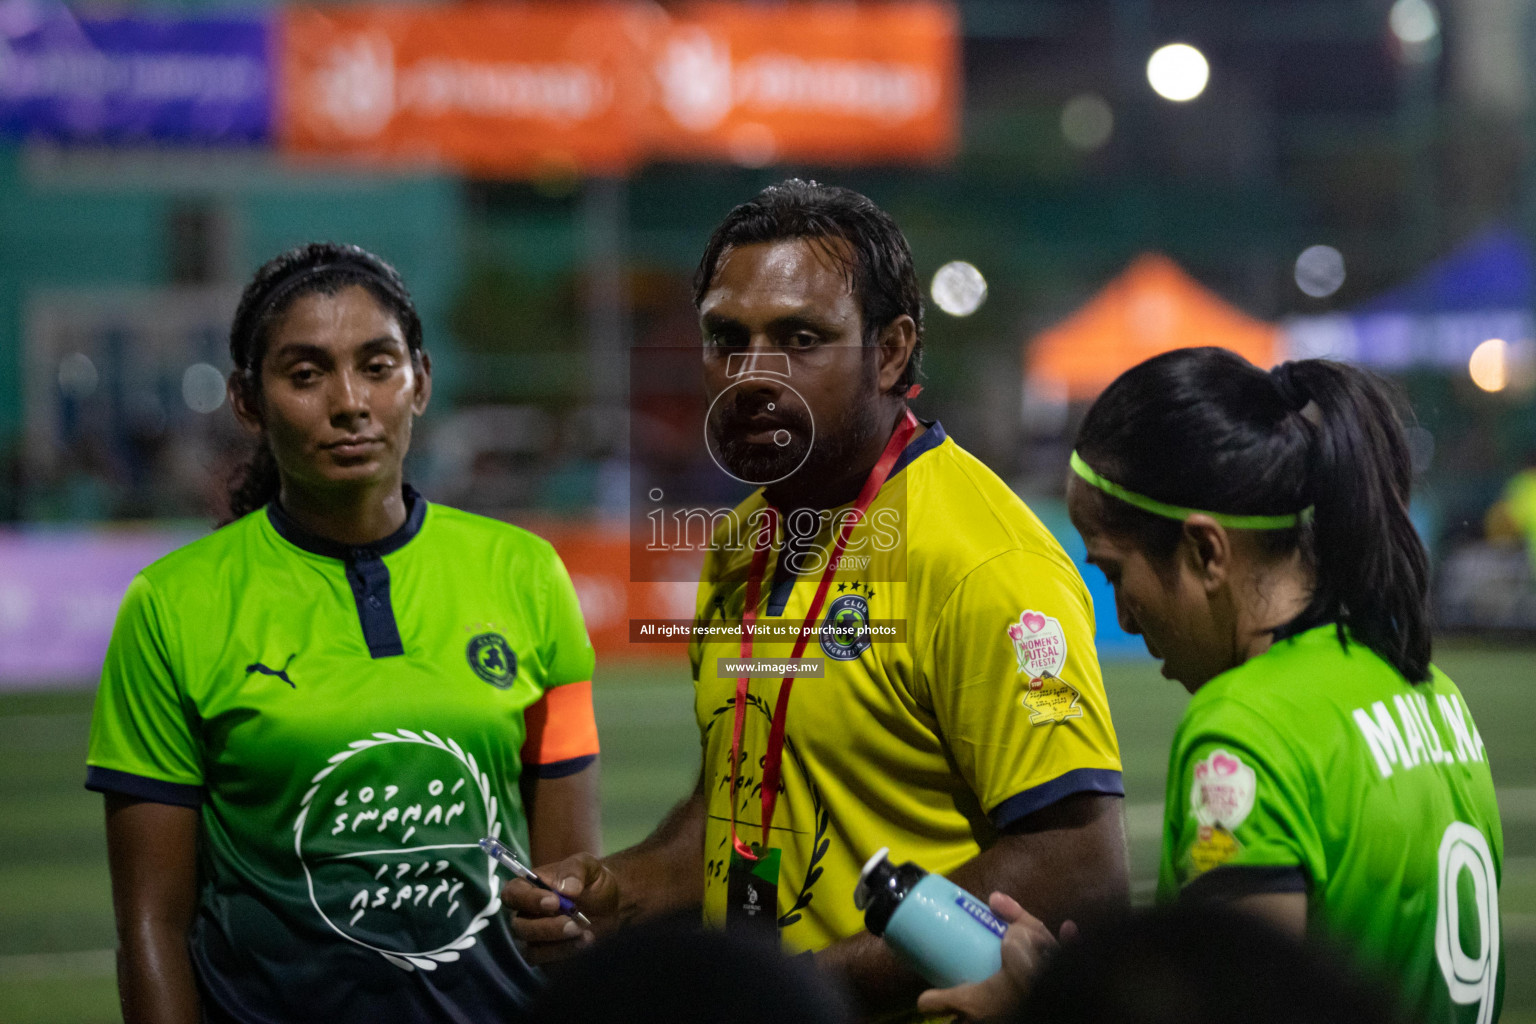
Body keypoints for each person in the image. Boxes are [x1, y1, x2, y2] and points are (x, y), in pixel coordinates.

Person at [506, 180, 1128, 1017]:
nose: (754, 376)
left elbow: (1077, 864)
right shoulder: (742, 542)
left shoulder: (983, 558)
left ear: (892, 351)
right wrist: (617, 890)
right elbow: (731, 812)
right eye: (728, 338)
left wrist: (797, 988)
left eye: (801, 338)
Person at [85, 242, 601, 1024]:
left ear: (420, 382)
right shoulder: (170, 604)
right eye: (305, 374)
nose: (349, 401)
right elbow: (151, 927)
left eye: (378, 366)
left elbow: (567, 882)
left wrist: (575, 915)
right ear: (248, 403)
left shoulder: (527, 574)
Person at [920, 347, 1504, 1024]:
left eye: (1114, 574)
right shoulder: (1428, 690)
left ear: (1205, 552)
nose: (1125, 620)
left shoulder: (1245, 729)